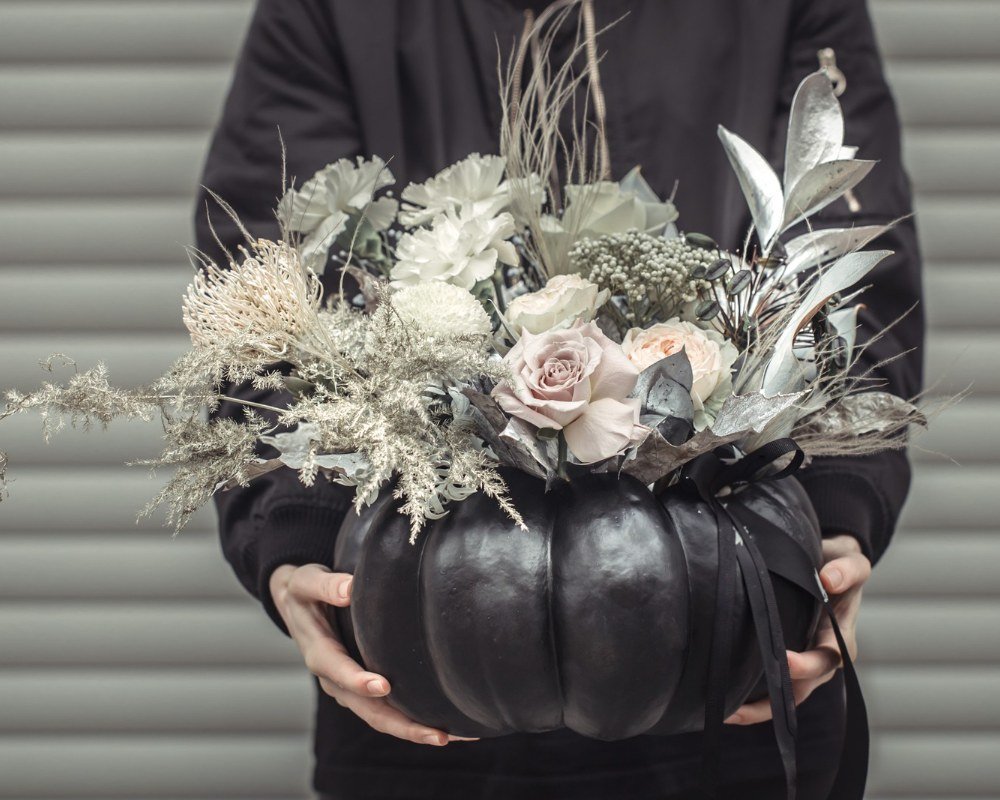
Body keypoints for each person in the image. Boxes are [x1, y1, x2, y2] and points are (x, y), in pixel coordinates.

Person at [195, 1, 923, 798]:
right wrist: (294, 533)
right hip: (426, 665)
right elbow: (264, 293)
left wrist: (835, 517)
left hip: (732, 651)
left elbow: (858, 284)